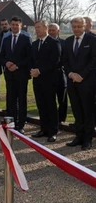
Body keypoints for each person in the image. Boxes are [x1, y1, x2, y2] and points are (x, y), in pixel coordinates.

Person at [63, 17, 96, 150]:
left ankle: (88, 139)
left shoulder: (92, 40)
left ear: (84, 26)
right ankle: (79, 136)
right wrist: (71, 74)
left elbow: (94, 61)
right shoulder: (68, 41)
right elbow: (64, 61)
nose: (76, 29)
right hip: (72, 82)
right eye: (74, 26)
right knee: (76, 110)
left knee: (88, 110)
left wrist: (81, 75)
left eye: (79, 26)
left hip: (87, 82)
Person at [0, 16, 32, 134]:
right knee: (10, 99)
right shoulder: (6, 39)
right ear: (10, 25)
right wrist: (6, 63)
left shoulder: (26, 38)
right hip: (9, 74)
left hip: (21, 74)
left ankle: (21, 124)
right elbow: (1, 56)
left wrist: (17, 65)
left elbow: (29, 57)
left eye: (16, 25)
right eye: (12, 24)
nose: (14, 26)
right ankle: (11, 123)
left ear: (21, 25)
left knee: (22, 100)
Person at [31, 20, 61, 142]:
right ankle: (43, 128)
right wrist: (32, 69)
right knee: (41, 105)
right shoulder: (34, 44)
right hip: (37, 80)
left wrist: (40, 70)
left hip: (49, 79)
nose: (36, 30)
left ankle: (53, 131)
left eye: (38, 27)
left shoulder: (54, 42)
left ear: (45, 28)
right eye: (35, 28)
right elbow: (31, 59)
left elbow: (55, 61)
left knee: (50, 105)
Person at [48, 23, 68, 124]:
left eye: (53, 30)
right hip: (48, 76)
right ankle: (52, 120)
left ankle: (61, 119)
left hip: (60, 74)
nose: (51, 32)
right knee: (50, 100)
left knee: (62, 99)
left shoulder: (64, 43)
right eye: (50, 30)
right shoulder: (45, 43)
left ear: (58, 31)